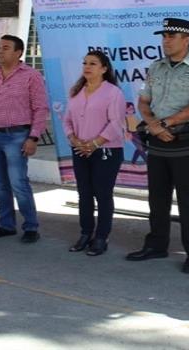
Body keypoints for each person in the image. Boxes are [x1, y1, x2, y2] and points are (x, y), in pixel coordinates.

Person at [126, 18, 189, 274]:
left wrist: (164, 123)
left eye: (171, 36)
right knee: (157, 198)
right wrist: (154, 125)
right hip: (157, 140)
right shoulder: (156, 67)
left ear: (186, 40)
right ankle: (156, 245)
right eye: (164, 36)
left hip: (184, 141)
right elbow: (143, 102)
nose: (166, 40)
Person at [0, 35, 49, 243]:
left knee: (19, 183)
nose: (0, 51)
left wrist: (33, 137)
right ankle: (6, 225)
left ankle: (31, 227)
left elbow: (40, 109)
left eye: (5, 48)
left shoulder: (31, 76)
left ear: (18, 52)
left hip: (17, 136)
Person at [62, 51, 126, 256]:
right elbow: (67, 120)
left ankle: (101, 237)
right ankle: (85, 233)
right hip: (80, 149)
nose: (87, 67)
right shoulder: (76, 91)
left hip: (106, 151)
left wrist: (95, 144)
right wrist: (73, 139)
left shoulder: (113, 92)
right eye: (85, 63)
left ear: (104, 69)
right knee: (84, 194)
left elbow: (117, 123)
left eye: (93, 63)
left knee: (103, 194)